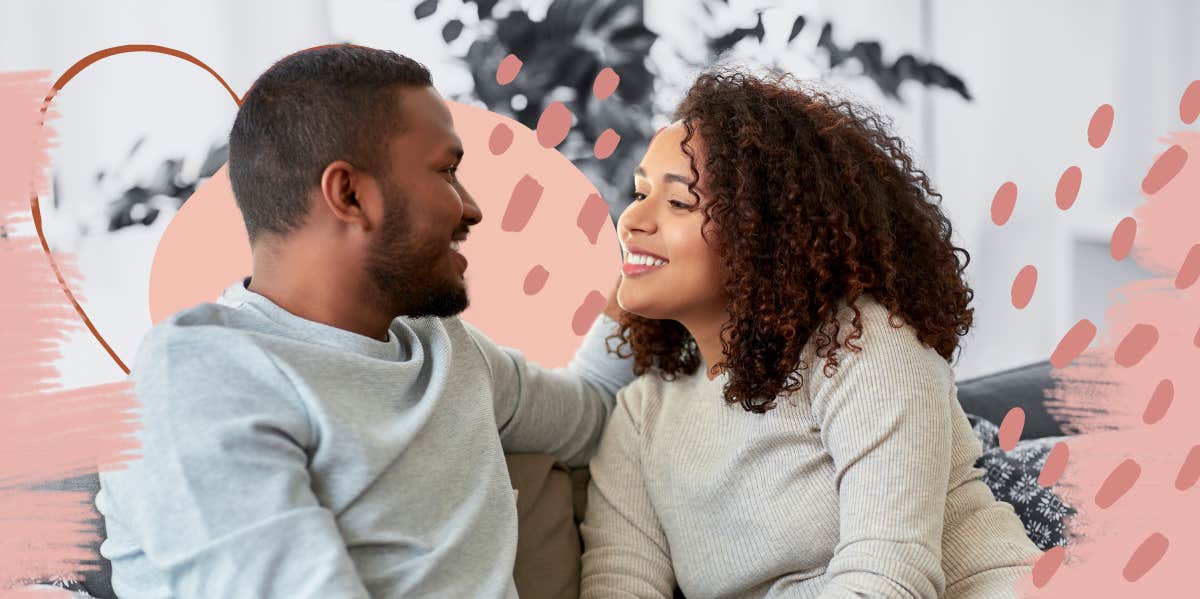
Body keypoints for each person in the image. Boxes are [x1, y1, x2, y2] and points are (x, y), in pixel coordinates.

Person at [95, 45, 633, 598]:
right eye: (446, 171)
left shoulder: (443, 347)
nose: (470, 207)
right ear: (349, 194)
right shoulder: (199, 378)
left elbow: (591, 414)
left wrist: (647, 276)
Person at [580, 68, 1042, 599]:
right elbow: (618, 589)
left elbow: (888, 581)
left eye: (679, 202)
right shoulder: (641, 416)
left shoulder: (859, 345)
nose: (631, 221)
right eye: (639, 194)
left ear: (763, 232)